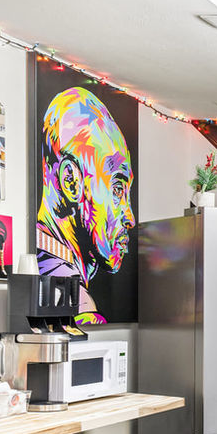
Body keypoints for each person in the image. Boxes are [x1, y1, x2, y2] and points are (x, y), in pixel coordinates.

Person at [37, 87, 135, 325]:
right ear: (71, 181)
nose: (130, 217)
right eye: (117, 189)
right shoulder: (81, 308)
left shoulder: (41, 269)